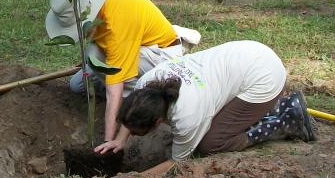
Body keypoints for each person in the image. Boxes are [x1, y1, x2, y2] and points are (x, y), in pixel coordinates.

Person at [105, 40, 317, 169]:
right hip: (250, 54)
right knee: (214, 118)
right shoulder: (147, 84)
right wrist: (120, 140)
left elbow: (177, 163)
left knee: (210, 144)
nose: (130, 132)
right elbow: (132, 111)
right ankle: (262, 111)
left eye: (133, 131)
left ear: (159, 121)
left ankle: (282, 119)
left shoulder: (188, 116)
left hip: (264, 78)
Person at [45, 0, 201, 149]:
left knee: (112, 80)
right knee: (77, 85)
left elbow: (114, 91)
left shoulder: (117, 26)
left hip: (162, 53)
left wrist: (108, 141)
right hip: (133, 42)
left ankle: (134, 101)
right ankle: (123, 87)